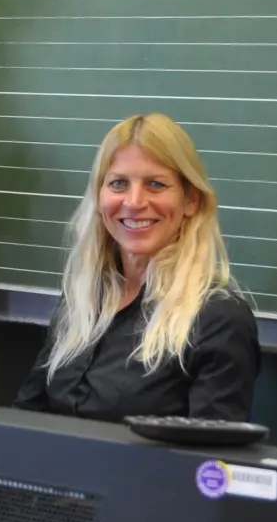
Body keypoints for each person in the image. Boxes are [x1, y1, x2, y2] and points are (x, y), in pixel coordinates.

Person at [13, 113, 261, 422]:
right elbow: (26, 417)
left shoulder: (218, 319)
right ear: (99, 197)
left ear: (191, 201)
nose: (134, 201)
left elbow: (208, 464)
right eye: (118, 183)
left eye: (156, 185)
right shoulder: (82, 301)